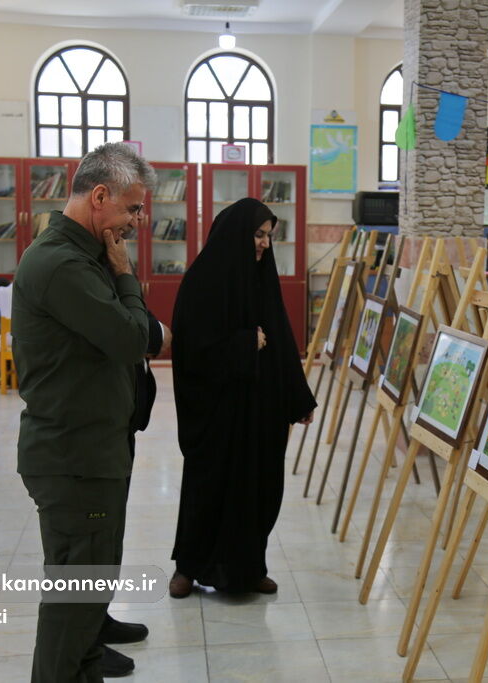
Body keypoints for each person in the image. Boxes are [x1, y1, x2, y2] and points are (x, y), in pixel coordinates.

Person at [13, 142, 156, 681]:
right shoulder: (59, 263)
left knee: (92, 580)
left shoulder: (84, 253)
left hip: (96, 448)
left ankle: (86, 669)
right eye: (132, 209)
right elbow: (132, 337)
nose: (138, 222)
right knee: (73, 602)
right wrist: (125, 277)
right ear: (99, 196)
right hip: (73, 456)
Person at [168, 197, 315, 598]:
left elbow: (283, 340)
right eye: (257, 234)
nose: (264, 244)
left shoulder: (263, 279)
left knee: (257, 487)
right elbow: (191, 347)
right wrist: (244, 342)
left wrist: (299, 398)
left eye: (268, 236)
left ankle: (249, 568)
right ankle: (189, 567)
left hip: (259, 409)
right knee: (209, 485)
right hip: (217, 409)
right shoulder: (202, 281)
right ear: (235, 233)